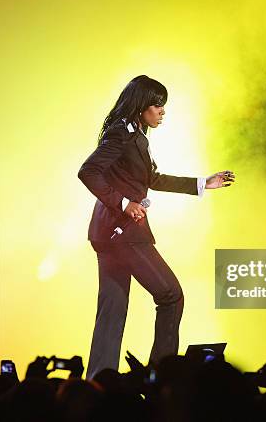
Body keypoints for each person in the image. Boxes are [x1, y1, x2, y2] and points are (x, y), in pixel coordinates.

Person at [78, 75, 235, 380]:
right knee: (171, 295)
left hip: (108, 234)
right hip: (123, 234)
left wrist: (204, 183)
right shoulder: (121, 134)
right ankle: (161, 378)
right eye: (157, 105)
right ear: (141, 107)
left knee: (112, 311)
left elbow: (153, 179)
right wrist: (124, 204)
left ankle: (98, 383)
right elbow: (88, 172)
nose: (162, 111)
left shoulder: (136, 135)